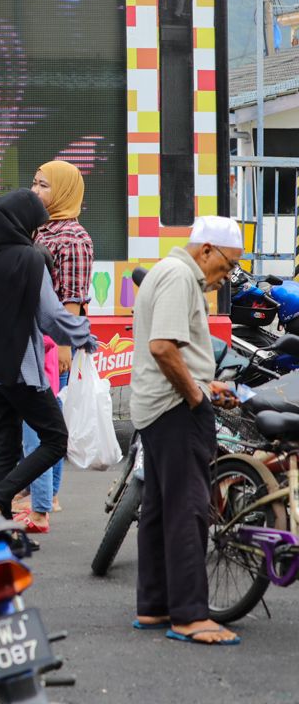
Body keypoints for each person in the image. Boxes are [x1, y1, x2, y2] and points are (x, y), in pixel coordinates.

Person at [132, 217, 243, 646]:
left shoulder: (168, 271)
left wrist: (204, 385)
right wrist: (197, 396)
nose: (226, 276)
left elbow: (171, 349)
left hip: (159, 407)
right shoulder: (180, 276)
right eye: (227, 265)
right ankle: (190, 616)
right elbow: (163, 347)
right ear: (207, 250)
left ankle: (155, 605)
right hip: (175, 409)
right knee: (189, 509)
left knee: (160, 509)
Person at [0, 189, 94, 519]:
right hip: (20, 368)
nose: (36, 232)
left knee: (6, 444)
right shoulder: (31, 259)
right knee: (55, 439)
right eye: (35, 226)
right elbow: (51, 316)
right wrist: (82, 335)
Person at [17, 160, 95, 531]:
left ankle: (44, 501)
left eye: (44, 185)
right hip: (35, 336)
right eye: (34, 182)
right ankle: (47, 494)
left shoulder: (73, 238)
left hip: (52, 341)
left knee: (41, 424)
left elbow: (72, 299)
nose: (35, 190)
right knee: (47, 422)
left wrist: (64, 346)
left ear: (63, 191)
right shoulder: (42, 229)